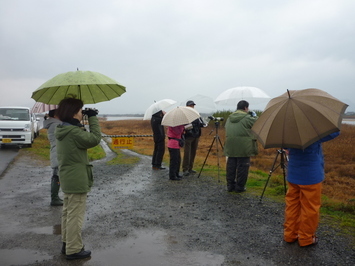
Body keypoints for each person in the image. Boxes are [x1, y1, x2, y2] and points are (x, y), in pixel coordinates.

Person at [55, 98, 101, 260]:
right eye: (81, 111)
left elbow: (79, 138)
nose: (82, 114)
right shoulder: (73, 132)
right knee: (75, 215)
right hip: (77, 178)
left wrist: (80, 123)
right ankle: (74, 249)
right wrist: (93, 118)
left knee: (68, 213)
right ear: (73, 113)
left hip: (68, 177)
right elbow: (94, 139)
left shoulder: (64, 130)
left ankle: (67, 243)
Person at [284, 132, 340, 247]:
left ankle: (289, 235)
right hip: (311, 175)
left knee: (292, 204)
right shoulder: (313, 130)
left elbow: (285, 147)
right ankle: (305, 238)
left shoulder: (288, 130)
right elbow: (334, 132)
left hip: (293, 173)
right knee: (310, 208)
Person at [224, 100, 258, 193]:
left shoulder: (229, 118)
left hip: (230, 145)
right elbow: (258, 124)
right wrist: (254, 115)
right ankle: (240, 187)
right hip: (244, 146)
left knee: (231, 166)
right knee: (243, 167)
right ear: (246, 108)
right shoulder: (247, 117)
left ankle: (230, 186)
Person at [43, 109, 63, 206]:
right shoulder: (56, 125)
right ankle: (54, 198)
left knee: (57, 175)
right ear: (55, 115)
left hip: (56, 152)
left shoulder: (53, 124)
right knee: (56, 176)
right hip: (58, 152)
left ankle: (55, 197)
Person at [182, 100, 206, 176]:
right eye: (191, 105)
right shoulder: (184, 115)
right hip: (189, 136)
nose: (192, 107)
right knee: (187, 153)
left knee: (193, 152)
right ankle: (185, 169)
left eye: (193, 105)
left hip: (196, 135)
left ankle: (190, 168)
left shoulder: (196, 114)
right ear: (187, 106)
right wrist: (190, 129)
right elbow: (184, 126)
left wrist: (202, 125)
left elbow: (200, 123)